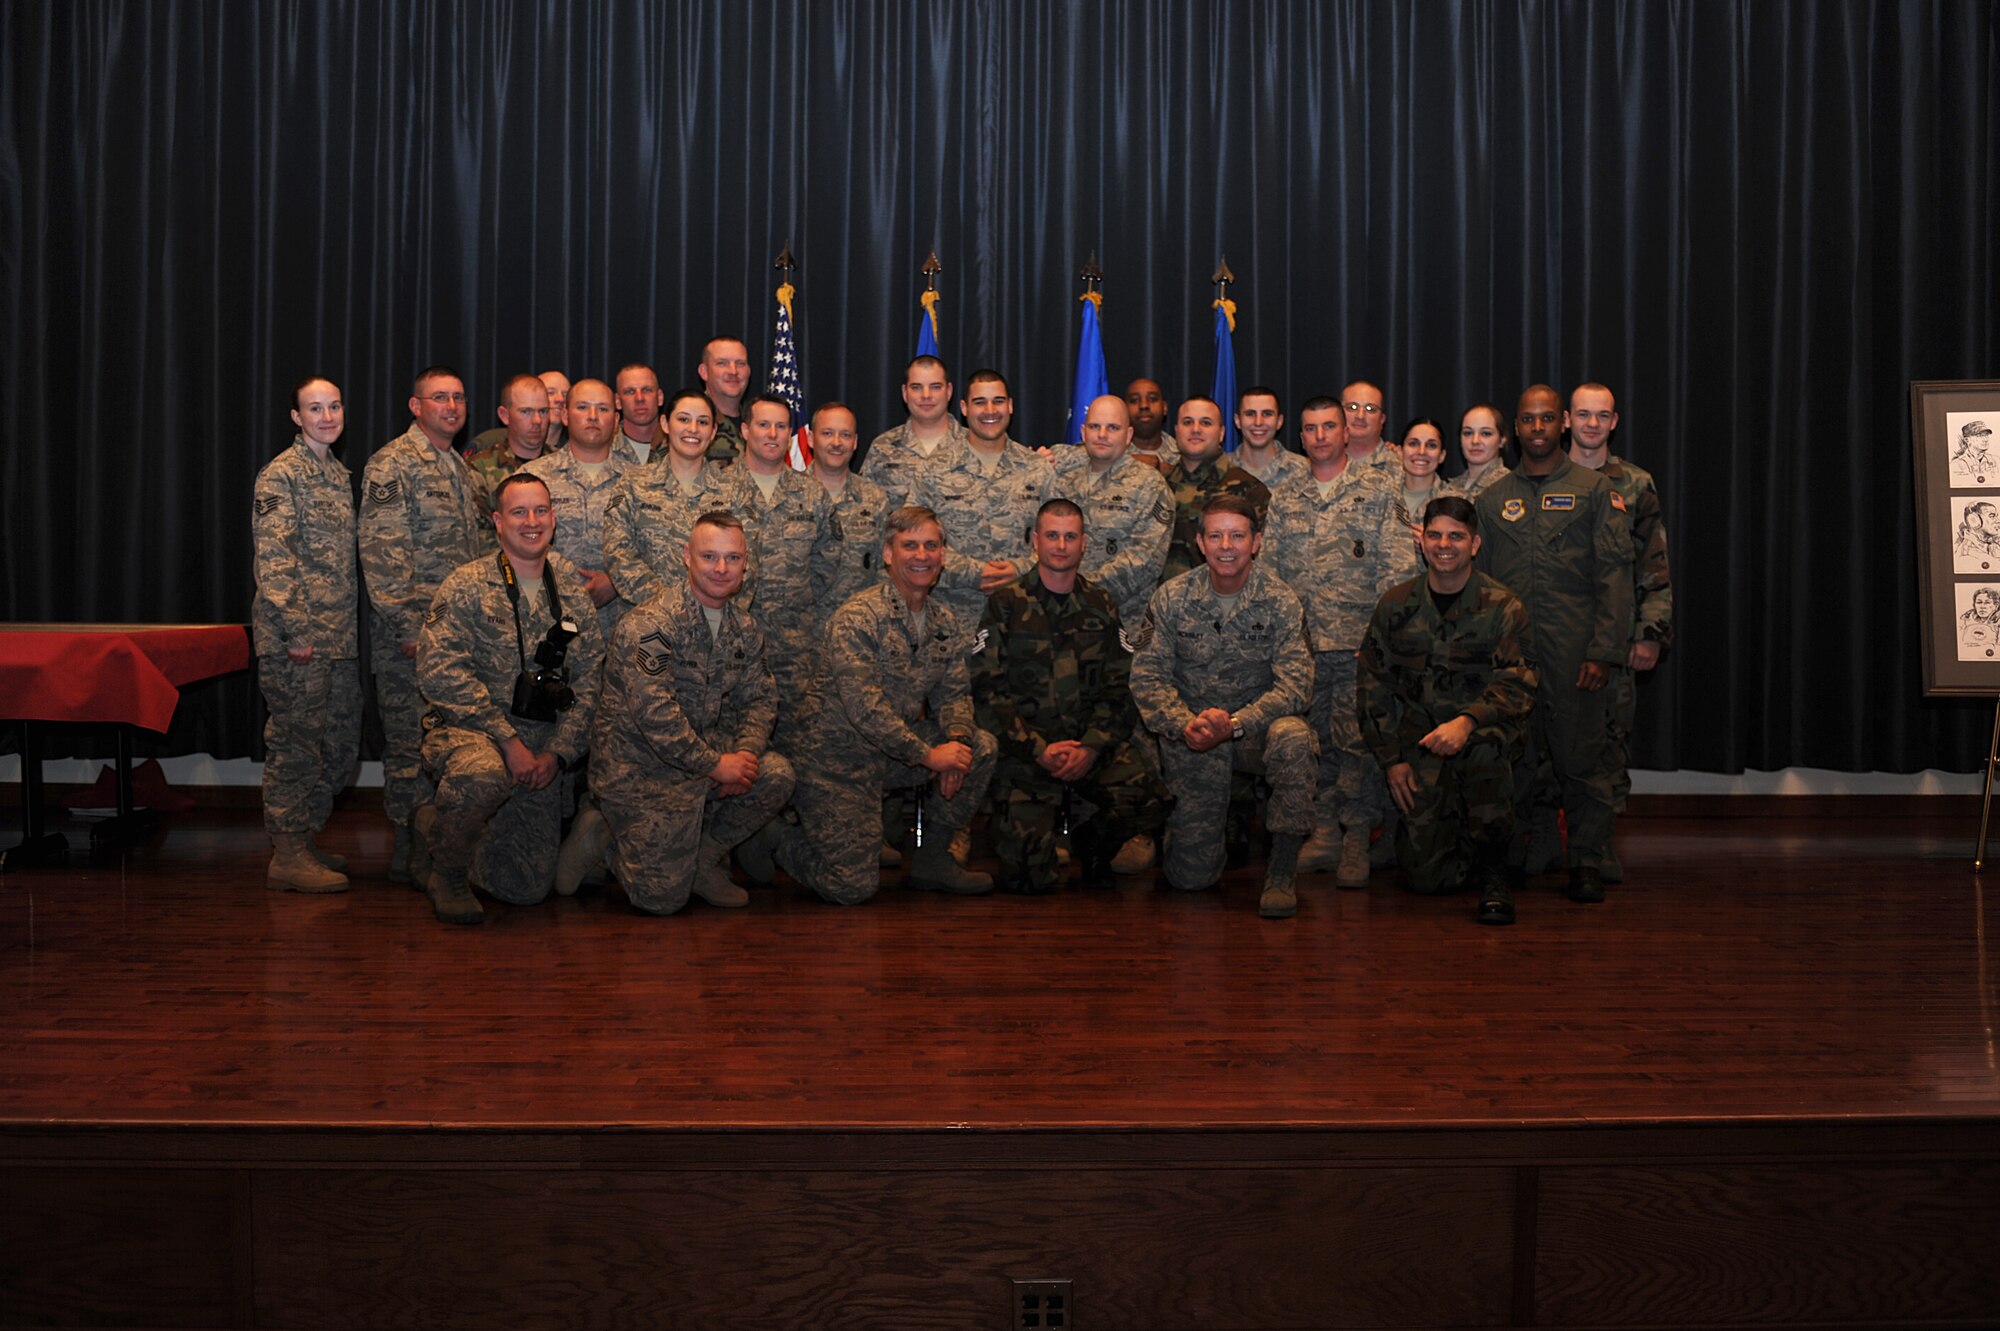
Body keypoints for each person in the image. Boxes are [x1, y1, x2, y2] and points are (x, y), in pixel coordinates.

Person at [753, 506, 998, 903]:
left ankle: (932, 860)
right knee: (851, 887)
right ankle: (774, 835)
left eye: (931, 546)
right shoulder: (858, 618)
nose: (921, 555)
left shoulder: (945, 622)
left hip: (893, 755)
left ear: (943, 556)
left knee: (979, 747)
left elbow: (954, 695)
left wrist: (956, 744)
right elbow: (865, 710)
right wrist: (930, 757)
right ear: (888, 554)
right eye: (910, 545)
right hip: (835, 763)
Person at [562, 511, 796, 913]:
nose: (721, 569)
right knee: (663, 900)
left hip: (700, 755)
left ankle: (701, 860)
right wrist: (715, 766)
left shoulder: (744, 627)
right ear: (687, 556)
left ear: (745, 563)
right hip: (640, 767)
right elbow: (656, 718)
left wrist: (745, 756)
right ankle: (603, 837)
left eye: (733, 558)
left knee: (774, 775)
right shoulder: (651, 626)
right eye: (709, 556)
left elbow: (760, 699)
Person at [414, 473, 604, 924]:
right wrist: (507, 743)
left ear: (554, 519)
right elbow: (438, 671)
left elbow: (592, 681)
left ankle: (441, 828)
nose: (531, 521)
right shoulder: (467, 584)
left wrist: (557, 755)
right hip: (473, 736)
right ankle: (448, 871)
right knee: (482, 775)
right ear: (498, 522)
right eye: (519, 512)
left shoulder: (573, 591)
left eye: (541, 511)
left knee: (526, 890)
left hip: (541, 750)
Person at [1475, 385, 1633, 907]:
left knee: (1581, 760)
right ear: (1515, 429)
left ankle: (1585, 860)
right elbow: (1483, 585)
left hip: (1574, 651)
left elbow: (1614, 575)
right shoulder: (1495, 499)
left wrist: (1603, 651)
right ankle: (1514, 854)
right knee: (1514, 761)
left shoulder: (1593, 490)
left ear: (1561, 424)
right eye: (1527, 420)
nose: (1537, 428)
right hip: (1515, 655)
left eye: (1546, 419)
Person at [1130, 495, 1317, 918]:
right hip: (1194, 737)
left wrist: (1234, 724)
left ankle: (1282, 869)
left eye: (1237, 535)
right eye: (1216, 535)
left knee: (1295, 737)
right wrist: (1186, 724)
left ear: (1257, 542)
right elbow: (1147, 678)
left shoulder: (1281, 601)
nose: (1226, 545)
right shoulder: (1171, 598)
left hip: (1253, 733)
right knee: (1189, 879)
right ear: (1200, 542)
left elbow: (1296, 686)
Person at [970, 500, 1167, 894]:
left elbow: (1120, 687)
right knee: (1027, 880)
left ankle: (1089, 843)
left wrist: (1092, 747)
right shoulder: (1005, 604)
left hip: (1085, 746)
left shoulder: (1101, 604)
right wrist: (1037, 749)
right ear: (1035, 541)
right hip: (1027, 752)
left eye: (1070, 536)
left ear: (1084, 544)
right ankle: (1023, 834)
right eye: (1052, 535)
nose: (1061, 545)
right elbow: (988, 691)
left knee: (1151, 799)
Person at [1357, 497, 1537, 923]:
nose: (1444, 545)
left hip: (1486, 735)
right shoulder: (1396, 605)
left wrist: (1467, 720)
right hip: (1423, 742)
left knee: (1484, 751)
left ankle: (1494, 872)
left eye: (1456, 536)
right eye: (1435, 534)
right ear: (1422, 542)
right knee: (1424, 880)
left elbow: (1520, 681)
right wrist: (1392, 761)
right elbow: (1372, 685)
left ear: (1474, 544)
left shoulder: (1503, 605)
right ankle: (1459, 838)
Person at [1264, 399, 1417, 888]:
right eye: (1310, 429)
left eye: (1330, 425)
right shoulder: (1285, 496)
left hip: (1358, 645)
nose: (1321, 435)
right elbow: (1270, 577)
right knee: (1317, 743)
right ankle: (1324, 832)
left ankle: (1356, 839)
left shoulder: (1378, 488)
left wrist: (1377, 640)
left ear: (1345, 431)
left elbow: (1398, 571)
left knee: (1358, 744)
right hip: (1305, 649)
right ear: (1301, 437)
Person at [359, 365, 488, 882]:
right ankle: (409, 845)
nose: (452, 407)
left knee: (449, 742)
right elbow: (383, 554)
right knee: (411, 744)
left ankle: (441, 842)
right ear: (417, 407)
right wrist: (409, 629)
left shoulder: (462, 470)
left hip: (458, 639)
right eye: (439, 398)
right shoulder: (393, 464)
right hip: (410, 641)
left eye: (458, 397)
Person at [253, 375, 361, 893]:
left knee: (337, 745)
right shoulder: (282, 476)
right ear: (297, 418)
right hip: (298, 642)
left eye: (334, 406)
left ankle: (307, 834)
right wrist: (297, 632)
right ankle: (287, 852)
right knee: (296, 744)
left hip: (338, 638)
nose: (327, 416)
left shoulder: (338, 475)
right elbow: (275, 562)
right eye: (314, 408)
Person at [1566, 382, 1674, 877]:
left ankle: (1598, 845)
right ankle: (1548, 840)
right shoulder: (1545, 479)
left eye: (1601, 416)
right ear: (1566, 420)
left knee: (1608, 745)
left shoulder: (1634, 483)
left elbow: (1654, 565)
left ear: (1614, 422)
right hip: (1554, 637)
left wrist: (1650, 632)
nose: (1592, 424)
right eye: (1583, 415)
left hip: (1615, 642)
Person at [906, 369, 1056, 631]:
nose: (990, 410)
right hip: (949, 620)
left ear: (1010, 406)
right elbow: (910, 540)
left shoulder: (1037, 469)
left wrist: (1020, 569)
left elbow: (1059, 538)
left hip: (1024, 618)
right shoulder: (933, 470)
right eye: (979, 402)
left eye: (998, 401)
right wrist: (975, 573)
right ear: (964, 408)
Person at [735, 392, 841, 746]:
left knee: (795, 740)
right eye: (763, 425)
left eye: (781, 426)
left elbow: (827, 562)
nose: (772, 434)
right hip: (730, 641)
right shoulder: (716, 488)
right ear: (745, 430)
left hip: (794, 646)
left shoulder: (812, 494)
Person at [602, 389, 749, 609]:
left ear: (713, 431)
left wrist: (711, 610)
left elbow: (748, 562)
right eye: (683, 419)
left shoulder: (735, 490)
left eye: (702, 422)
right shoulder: (634, 484)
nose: (693, 429)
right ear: (665, 423)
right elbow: (618, 553)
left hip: (716, 623)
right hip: (649, 621)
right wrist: (672, 606)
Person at [521, 377, 629, 640]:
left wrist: (617, 581)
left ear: (616, 421)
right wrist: (568, 583)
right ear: (566, 416)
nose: (593, 416)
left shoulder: (639, 481)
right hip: (548, 619)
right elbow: (515, 543)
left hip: (622, 625)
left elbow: (652, 547)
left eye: (603, 409)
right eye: (583, 407)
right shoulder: (533, 477)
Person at [1161, 395, 1270, 580]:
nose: (1195, 430)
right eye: (1188, 422)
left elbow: (1258, 562)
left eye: (1205, 423)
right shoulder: (1158, 486)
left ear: (1221, 433)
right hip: (1165, 602)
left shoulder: (1249, 489)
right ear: (1176, 431)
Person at [807, 401, 893, 624]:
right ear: (810, 438)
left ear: (855, 442)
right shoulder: (789, 495)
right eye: (827, 433)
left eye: (845, 435)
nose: (836, 443)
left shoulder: (874, 498)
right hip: (799, 637)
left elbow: (885, 569)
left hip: (859, 630)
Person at [862, 355, 965, 509]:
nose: (926, 395)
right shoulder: (883, 448)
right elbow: (864, 512)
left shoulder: (973, 444)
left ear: (949, 391)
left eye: (935, 387)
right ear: (905, 392)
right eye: (916, 387)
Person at [464, 375, 553, 522]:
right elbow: (479, 533)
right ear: (505, 415)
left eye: (543, 411)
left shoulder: (563, 464)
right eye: (526, 412)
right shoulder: (480, 469)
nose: (537, 420)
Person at [1230, 386, 1310, 491]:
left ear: (1279, 421)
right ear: (1238, 421)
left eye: (1267, 414)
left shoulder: (1305, 471)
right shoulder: (1220, 471)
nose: (1258, 422)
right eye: (1250, 414)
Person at [696, 336, 753, 463]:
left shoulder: (759, 424)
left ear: (748, 371)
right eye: (722, 363)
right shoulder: (687, 423)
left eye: (740, 364)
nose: (733, 371)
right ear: (704, 372)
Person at [1442, 403, 1511, 501]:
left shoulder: (1510, 486)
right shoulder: (1449, 489)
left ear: (1502, 440)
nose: (1475, 441)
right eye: (1468, 433)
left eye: (1485, 433)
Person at [1394, 417, 1447, 534]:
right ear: (1400, 452)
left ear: (1442, 455)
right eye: (1413, 444)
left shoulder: (1457, 500)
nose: (1422, 452)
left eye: (1431, 445)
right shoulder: (1378, 495)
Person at [1341, 380, 1401, 483]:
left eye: (1370, 409)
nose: (1360, 416)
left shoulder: (1401, 467)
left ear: (1382, 419)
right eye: (1352, 407)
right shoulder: (1321, 462)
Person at [613, 363, 666, 465]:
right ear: (618, 401)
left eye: (646, 390)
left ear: (659, 397)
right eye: (630, 391)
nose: (639, 398)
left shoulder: (680, 447)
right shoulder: (603, 450)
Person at [1125, 377, 1179, 472]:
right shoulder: (1110, 454)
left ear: (1165, 408)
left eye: (1152, 399)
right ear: (1124, 410)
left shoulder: (1182, 455)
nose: (1144, 405)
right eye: (1134, 400)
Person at [1961, 587, 2000, 651]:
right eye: (1979, 602)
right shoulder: (1966, 619)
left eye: (1987, 602)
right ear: (1974, 605)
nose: (1982, 607)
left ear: (1996, 606)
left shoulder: (1998, 622)